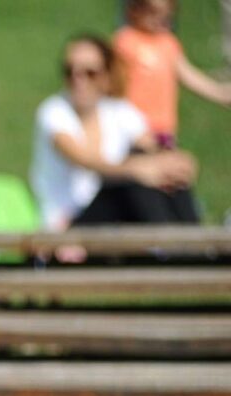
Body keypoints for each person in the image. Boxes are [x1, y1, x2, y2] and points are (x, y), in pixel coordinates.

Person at [29, 33, 199, 240]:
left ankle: (196, 244)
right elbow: (83, 159)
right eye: (69, 71)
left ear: (106, 76)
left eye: (90, 73)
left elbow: (151, 148)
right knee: (132, 179)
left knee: (160, 171)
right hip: (71, 221)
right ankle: (180, 247)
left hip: (116, 218)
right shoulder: (54, 112)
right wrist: (136, 169)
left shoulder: (119, 111)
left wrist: (175, 163)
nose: (78, 80)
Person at [114, 0, 231, 149]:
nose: (160, 20)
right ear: (136, 10)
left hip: (163, 127)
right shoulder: (125, 40)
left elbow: (189, 76)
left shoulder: (169, 44)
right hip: (133, 126)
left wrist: (221, 93)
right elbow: (113, 80)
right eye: (153, 13)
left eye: (166, 16)